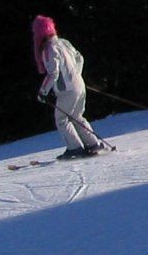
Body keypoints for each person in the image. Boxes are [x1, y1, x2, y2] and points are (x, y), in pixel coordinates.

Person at [32, 15, 109, 158]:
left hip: (66, 90)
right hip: (79, 86)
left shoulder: (49, 49)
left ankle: (75, 149)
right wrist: (75, 75)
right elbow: (80, 58)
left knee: (61, 119)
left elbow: (53, 73)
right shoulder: (64, 43)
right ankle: (93, 144)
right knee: (77, 116)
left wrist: (43, 92)